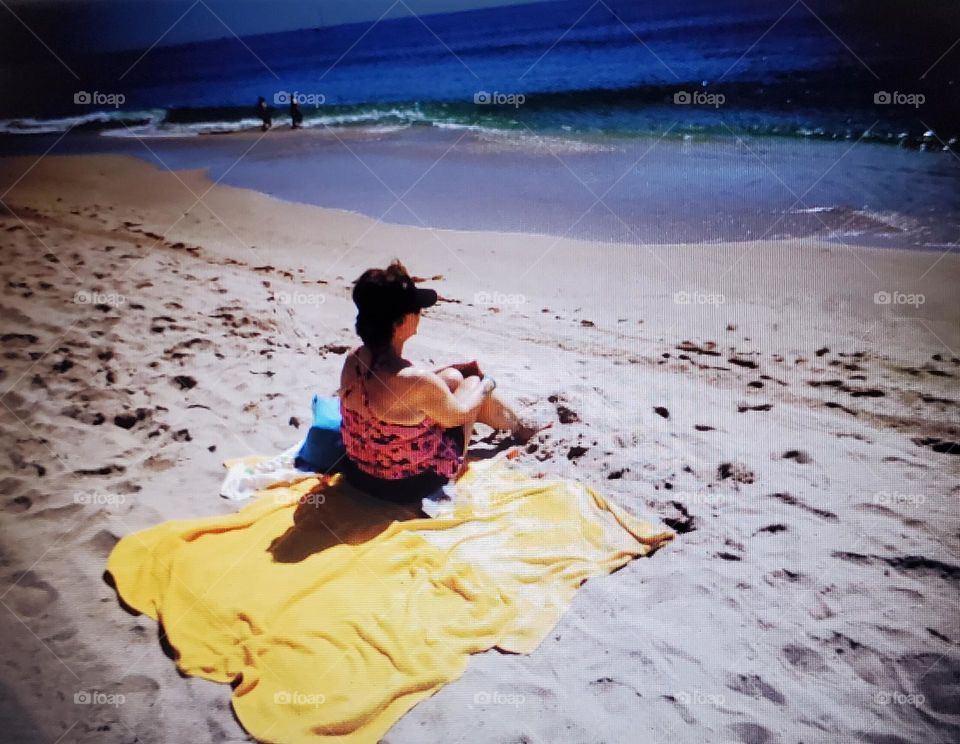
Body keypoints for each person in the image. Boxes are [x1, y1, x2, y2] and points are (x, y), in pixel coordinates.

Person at [339, 260, 537, 502]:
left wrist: (450, 373)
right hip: (405, 487)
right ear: (400, 323)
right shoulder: (417, 382)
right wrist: (486, 383)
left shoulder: (354, 359)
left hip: (359, 474)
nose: (420, 314)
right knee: (471, 384)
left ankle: (517, 425)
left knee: (452, 377)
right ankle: (519, 428)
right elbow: (461, 413)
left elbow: (397, 383)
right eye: (416, 309)